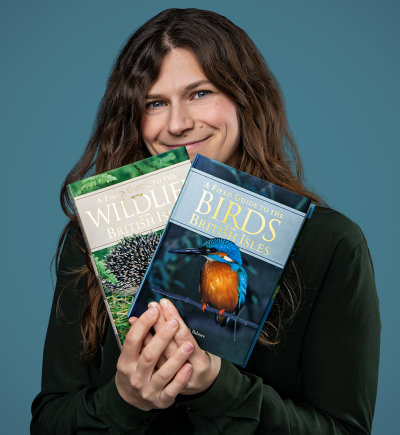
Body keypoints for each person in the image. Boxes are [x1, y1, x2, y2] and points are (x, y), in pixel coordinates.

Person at [31, 8, 380, 435]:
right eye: (155, 103)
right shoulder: (90, 238)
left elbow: (345, 430)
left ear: (244, 96)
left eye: (199, 93)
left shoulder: (330, 244)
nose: (178, 124)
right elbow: (49, 422)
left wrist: (217, 384)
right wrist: (122, 400)